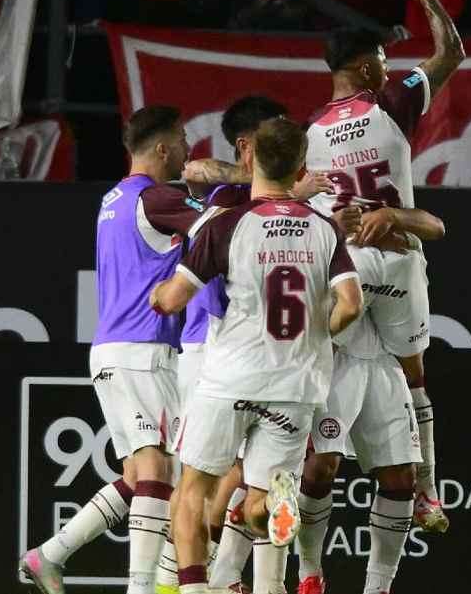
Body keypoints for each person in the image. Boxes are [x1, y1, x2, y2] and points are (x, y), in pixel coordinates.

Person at [151, 115, 363, 594]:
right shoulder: (325, 229)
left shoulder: (229, 225)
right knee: (254, 505)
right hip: (296, 386)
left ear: (250, 159)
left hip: (230, 379)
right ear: (301, 166)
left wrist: (156, 295)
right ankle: (274, 506)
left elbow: (172, 300)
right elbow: (351, 304)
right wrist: (317, 334)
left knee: (192, 492)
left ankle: (194, 590)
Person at [304, 0, 465, 538]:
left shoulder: (308, 133)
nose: (389, 66)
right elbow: (452, 51)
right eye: (383, 57)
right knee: (413, 376)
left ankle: (288, 474)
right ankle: (426, 493)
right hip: (395, 254)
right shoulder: (393, 101)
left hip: (342, 265)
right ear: (368, 65)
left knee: (323, 368)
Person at [20, 106, 202, 594]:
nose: (189, 149)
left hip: (110, 349)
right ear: (162, 148)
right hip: (143, 350)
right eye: (183, 139)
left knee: (138, 474)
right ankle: (141, 588)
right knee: (163, 469)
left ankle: (49, 555)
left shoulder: (112, 198)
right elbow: (221, 232)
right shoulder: (158, 199)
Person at [296, 208, 447, 594]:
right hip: (332, 358)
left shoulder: (405, 250)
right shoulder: (319, 197)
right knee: (320, 467)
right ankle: (309, 575)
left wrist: (394, 217)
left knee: (400, 478)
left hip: (380, 359)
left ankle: (379, 586)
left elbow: (436, 227)